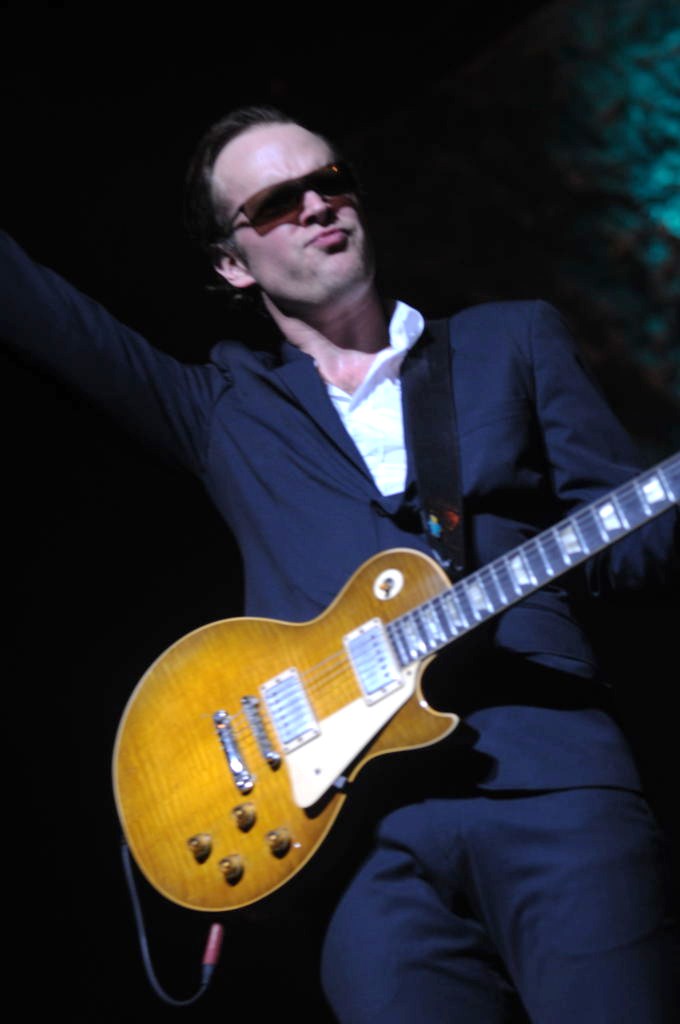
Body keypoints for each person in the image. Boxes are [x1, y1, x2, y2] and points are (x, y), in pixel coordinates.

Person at [3, 105, 678, 1022]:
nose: (319, 205)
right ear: (233, 264)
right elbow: (45, 313)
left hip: (549, 777)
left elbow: (628, 543)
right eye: (279, 201)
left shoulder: (512, 340)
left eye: (330, 181)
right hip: (353, 843)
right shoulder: (224, 408)